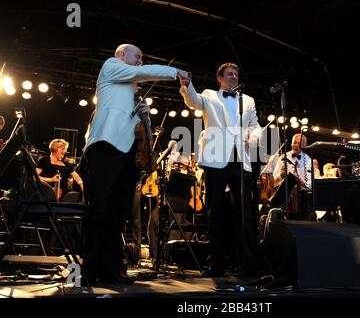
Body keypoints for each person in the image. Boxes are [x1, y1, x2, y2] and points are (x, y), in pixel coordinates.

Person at [82, 43, 189, 285]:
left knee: (119, 212)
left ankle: (111, 269)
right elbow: (142, 72)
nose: (141, 62)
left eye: (142, 58)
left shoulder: (133, 92)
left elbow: (143, 133)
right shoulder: (111, 66)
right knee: (100, 208)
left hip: (128, 154)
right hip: (106, 146)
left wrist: (145, 116)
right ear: (121, 55)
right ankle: (89, 267)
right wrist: (175, 72)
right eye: (138, 57)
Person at [179, 62, 261, 277]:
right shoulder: (210, 95)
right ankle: (217, 265)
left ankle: (248, 265)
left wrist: (253, 137)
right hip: (216, 160)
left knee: (243, 212)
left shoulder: (248, 100)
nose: (234, 77)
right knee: (215, 212)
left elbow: (255, 126)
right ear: (220, 78)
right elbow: (194, 102)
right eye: (230, 74)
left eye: (236, 74)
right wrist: (188, 86)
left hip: (240, 160)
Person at [272, 133, 312, 220]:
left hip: (302, 198)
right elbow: (273, 180)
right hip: (286, 198)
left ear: (304, 146)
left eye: (299, 144)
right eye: (294, 142)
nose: (296, 145)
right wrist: (280, 175)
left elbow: (311, 182)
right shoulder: (283, 157)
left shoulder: (308, 160)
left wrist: (303, 183)